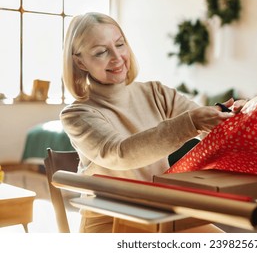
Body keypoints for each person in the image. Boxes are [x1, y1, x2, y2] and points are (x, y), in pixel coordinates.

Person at [61, 12, 246, 233]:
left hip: (162, 213)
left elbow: (209, 129)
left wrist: (232, 115)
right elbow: (119, 153)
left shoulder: (156, 93)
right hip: (109, 221)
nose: (117, 57)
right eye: (101, 52)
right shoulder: (77, 114)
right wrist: (191, 122)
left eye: (120, 45)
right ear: (79, 61)